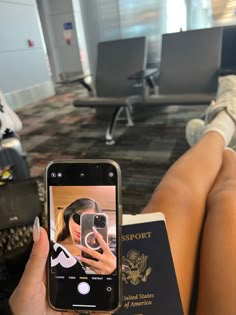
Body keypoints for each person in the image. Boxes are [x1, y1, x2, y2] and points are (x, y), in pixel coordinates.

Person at [7, 75, 236, 314]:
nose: (85, 230)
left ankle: (218, 135)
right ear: (67, 217)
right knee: (228, 200)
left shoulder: (62, 259)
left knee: (175, 197)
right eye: (79, 219)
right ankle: (223, 131)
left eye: (93, 223)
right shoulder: (58, 260)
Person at [51, 197, 116, 275]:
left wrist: (113, 273)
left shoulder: (103, 255)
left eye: (88, 224)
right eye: (78, 219)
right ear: (68, 216)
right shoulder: (52, 249)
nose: (81, 227)